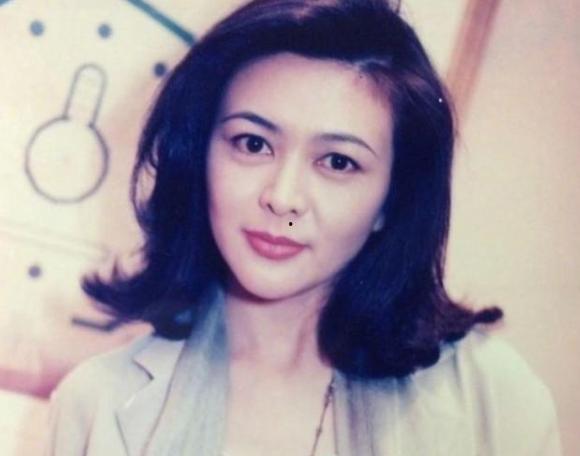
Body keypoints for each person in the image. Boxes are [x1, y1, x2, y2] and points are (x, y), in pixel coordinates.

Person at [44, 0, 562, 455]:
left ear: (392, 199)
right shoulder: (97, 403)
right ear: (198, 158)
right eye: (252, 144)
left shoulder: (494, 399)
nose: (283, 198)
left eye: (338, 162)